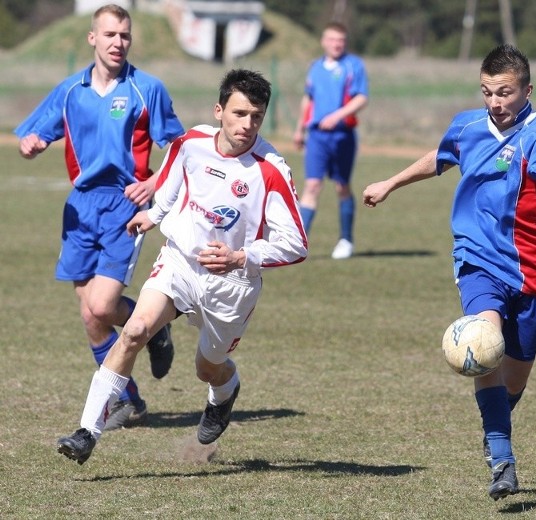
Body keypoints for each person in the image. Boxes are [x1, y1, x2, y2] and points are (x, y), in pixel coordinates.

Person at [362, 44, 536, 501]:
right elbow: (440, 157)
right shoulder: (468, 125)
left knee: (513, 380)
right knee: (484, 339)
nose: (495, 102)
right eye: (487, 91)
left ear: (527, 90)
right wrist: (390, 182)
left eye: (504, 92)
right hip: (478, 259)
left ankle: (494, 424)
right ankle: (502, 459)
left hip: (535, 270)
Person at [55, 68, 308, 465]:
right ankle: (87, 431)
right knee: (135, 330)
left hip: (232, 285)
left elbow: (296, 242)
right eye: (240, 113)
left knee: (208, 368)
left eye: (256, 116)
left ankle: (224, 395)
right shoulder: (191, 143)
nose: (247, 124)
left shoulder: (271, 170)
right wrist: (154, 214)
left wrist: (241, 256)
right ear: (219, 110)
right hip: (180, 263)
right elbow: (172, 183)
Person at [14, 4, 185, 430]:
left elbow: (180, 150)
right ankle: (127, 400)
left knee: (104, 304)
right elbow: (33, 134)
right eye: (109, 35)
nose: (117, 43)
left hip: (125, 206)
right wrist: (32, 144)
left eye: (124, 36)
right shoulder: (71, 90)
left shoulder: (148, 89)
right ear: (92, 38)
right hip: (80, 207)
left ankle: (154, 328)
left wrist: (154, 184)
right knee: (90, 315)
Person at [293, 21, 369, 259]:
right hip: (316, 136)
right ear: (324, 41)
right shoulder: (315, 67)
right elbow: (308, 100)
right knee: (312, 185)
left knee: (341, 186)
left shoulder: (353, 65)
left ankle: (346, 239)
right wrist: (299, 129)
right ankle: (299, 242)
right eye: (332, 39)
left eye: (341, 40)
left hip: (342, 136)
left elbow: (361, 99)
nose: (337, 44)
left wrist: (337, 115)